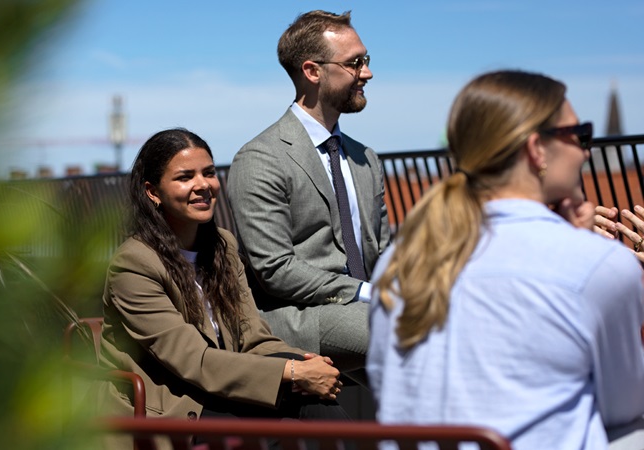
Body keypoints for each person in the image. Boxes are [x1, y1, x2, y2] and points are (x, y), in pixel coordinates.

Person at [366, 70, 644, 449]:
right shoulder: (599, 264)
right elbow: (623, 406)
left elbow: (388, 388)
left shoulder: (401, 259)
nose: (587, 151)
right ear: (536, 150)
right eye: (579, 136)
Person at [101, 128, 348, 423]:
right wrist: (294, 371)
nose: (202, 185)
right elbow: (193, 361)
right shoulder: (134, 264)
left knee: (318, 404)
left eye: (208, 173)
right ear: (153, 192)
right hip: (174, 401)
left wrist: (308, 363)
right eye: (185, 177)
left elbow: (254, 339)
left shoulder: (223, 246)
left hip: (222, 385)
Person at [227, 10, 390, 388]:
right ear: (313, 71)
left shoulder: (365, 158)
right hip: (303, 315)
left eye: (366, 60)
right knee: (420, 335)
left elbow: (381, 252)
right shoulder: (260, 158)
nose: (367, 72)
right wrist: (366, 292)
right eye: (355, 63)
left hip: (366, 306)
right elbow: (275, 269)